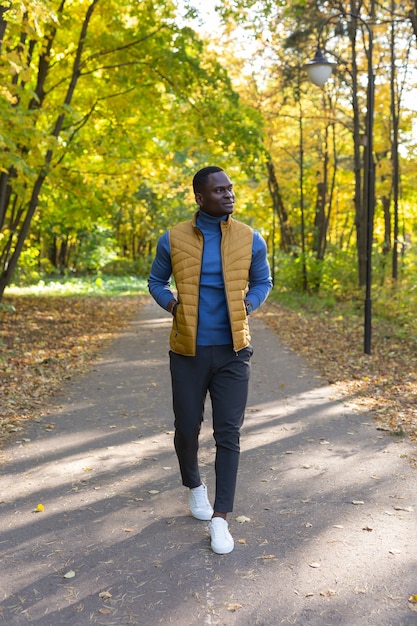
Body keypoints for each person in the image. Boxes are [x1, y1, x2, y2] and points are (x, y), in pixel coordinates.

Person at [148, 166, 272, 554]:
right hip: (188, 351)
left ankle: (221, 518)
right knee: (187, 427)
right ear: (200, 197)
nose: (229, 195)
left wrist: (248, 305)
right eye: (219, 190)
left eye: (231, 189)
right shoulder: (172, 239)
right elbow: (156, 281)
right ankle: (195, 486)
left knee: (229, 434)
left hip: (235, 352)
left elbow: (263, 280)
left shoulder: (251, 238)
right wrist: (172, 305)